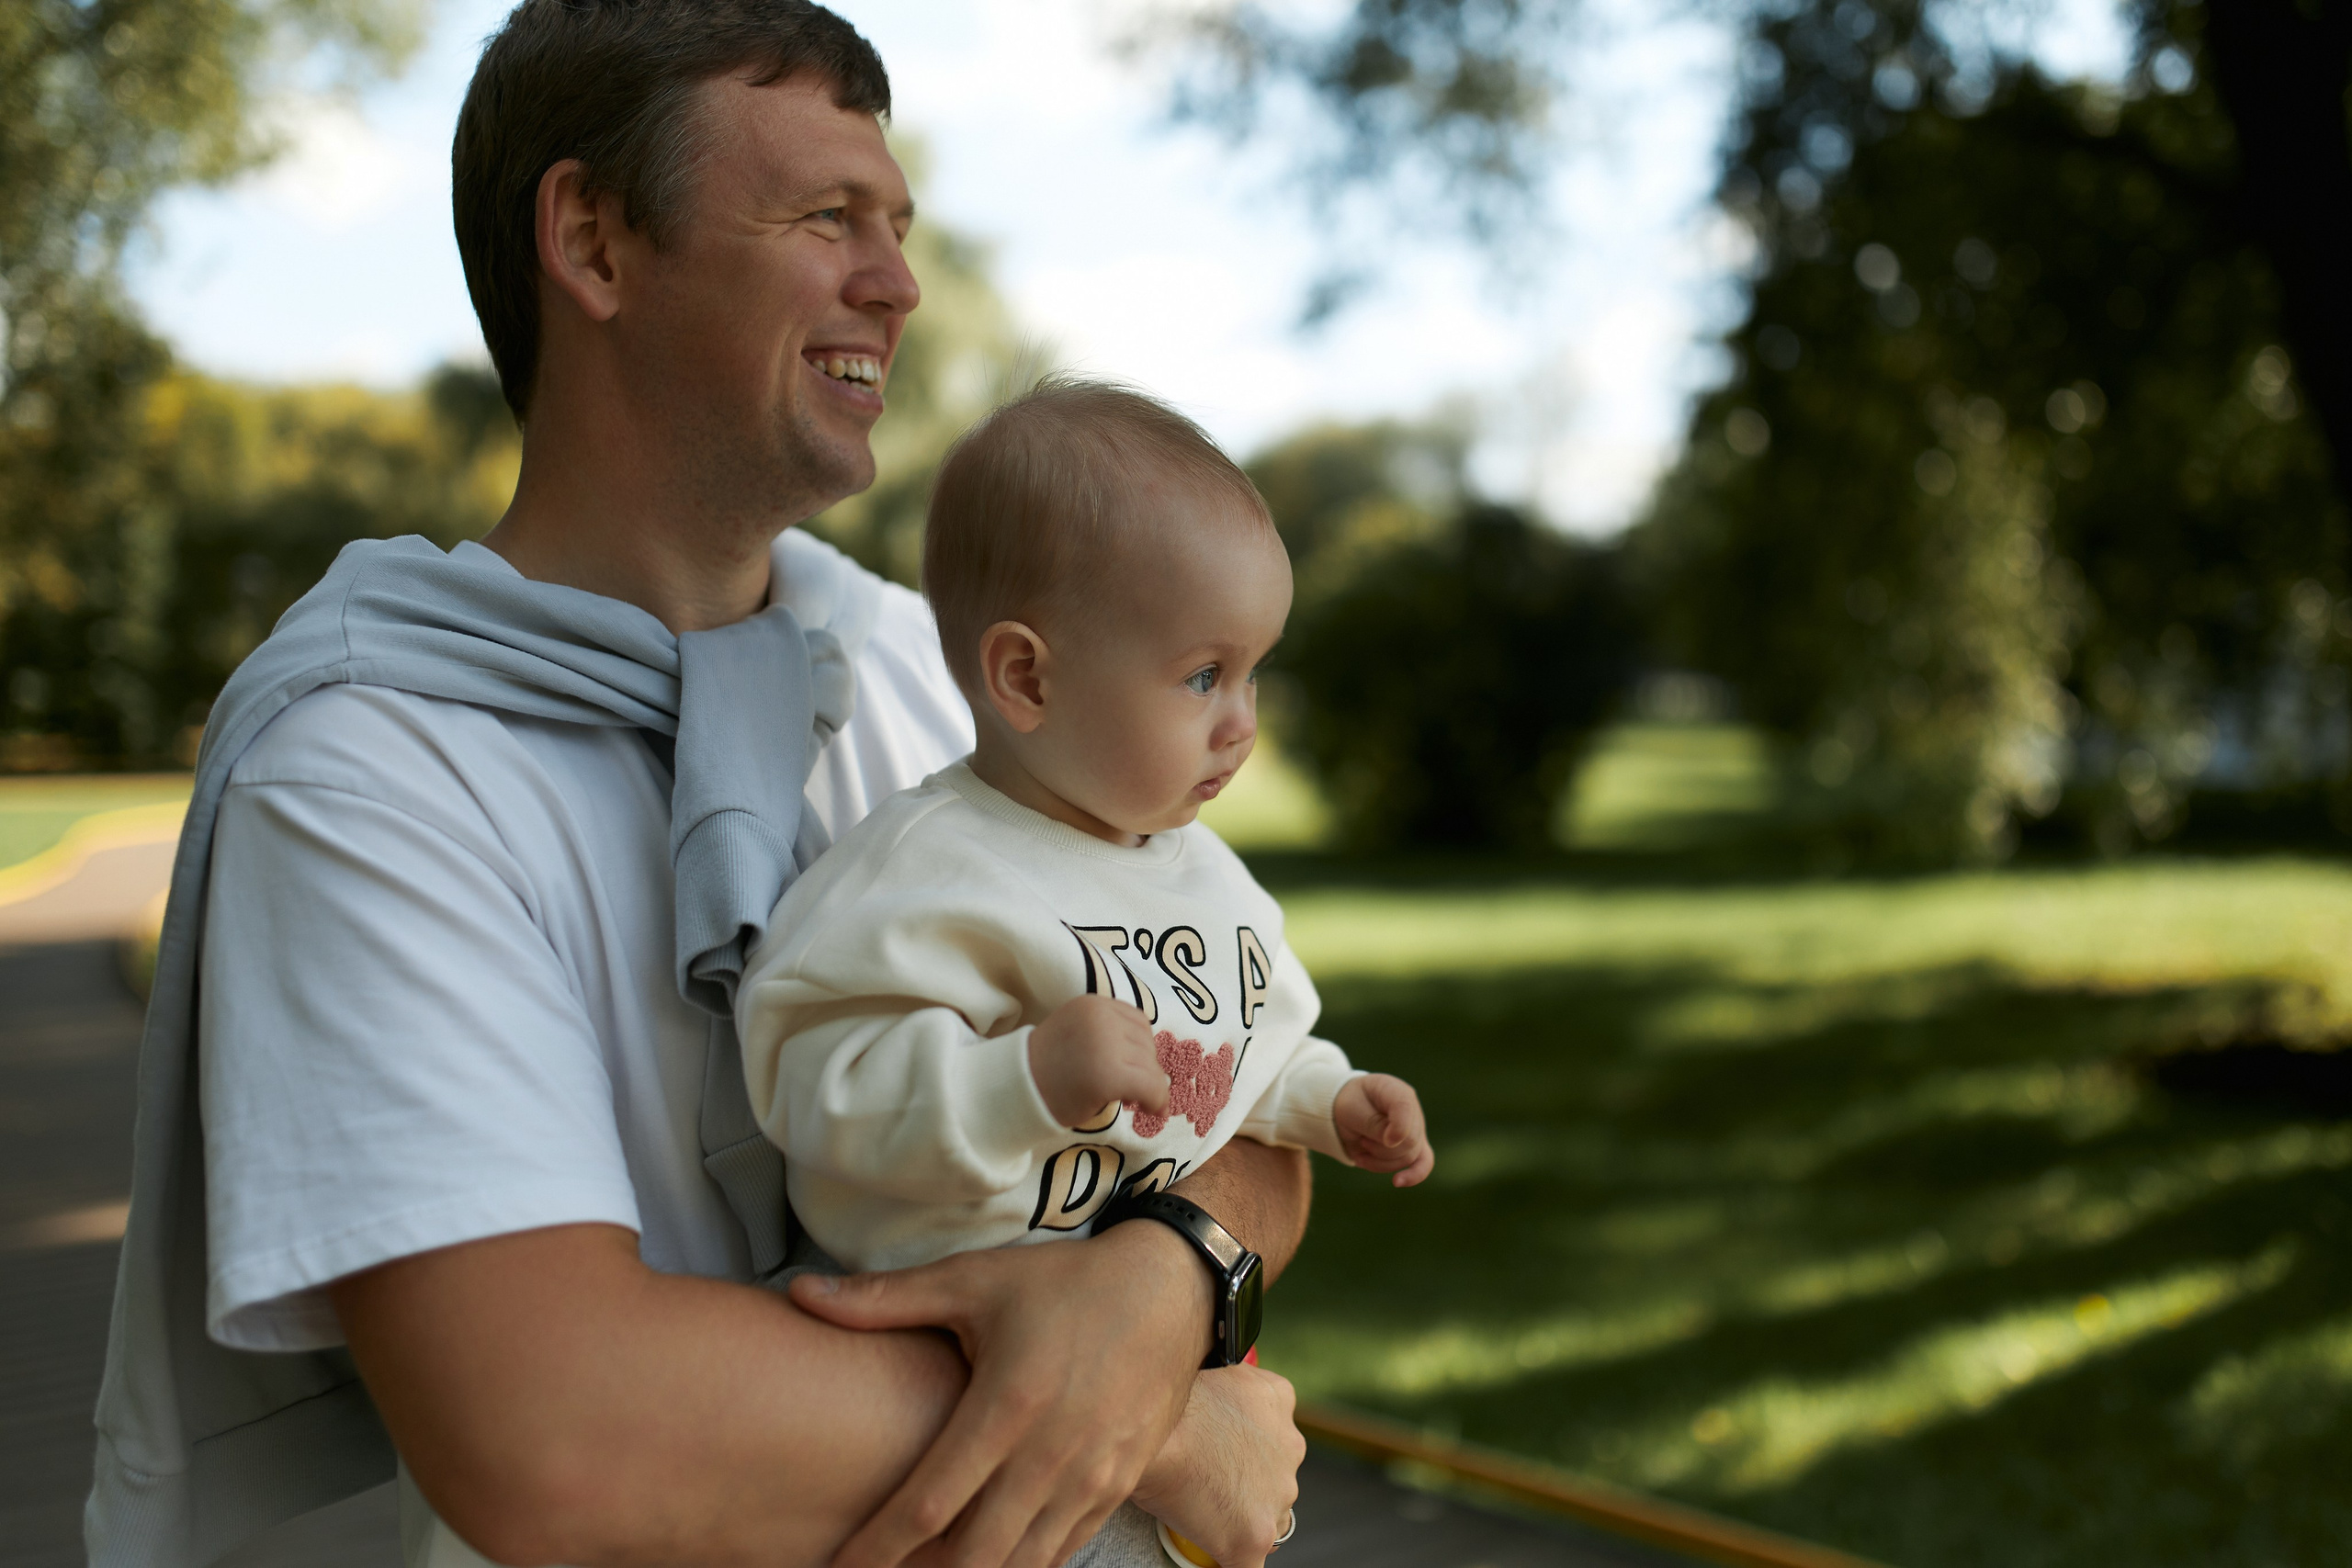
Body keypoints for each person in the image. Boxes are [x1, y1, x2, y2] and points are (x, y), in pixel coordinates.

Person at [85, 5, 1310, 1566]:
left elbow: (1255, 1082)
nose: (900, 280)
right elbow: (560, 1433)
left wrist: (1157, 1288)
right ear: (593, 240)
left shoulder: (946, 681)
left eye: (899, 225)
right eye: (825, 217)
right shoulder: (365, 772)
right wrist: (1148, 1424)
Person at [738, 379, 1436, 1567]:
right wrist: (1023, 1078)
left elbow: (1228, 1049)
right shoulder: (929, 873)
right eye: (1202, 675)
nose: (1241, 723)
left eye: (1255, 672)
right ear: (1026, 680)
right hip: (967, 1397)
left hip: (1160, 1384)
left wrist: (1323, 1099)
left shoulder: (1191, 868)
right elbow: (814, 1073)